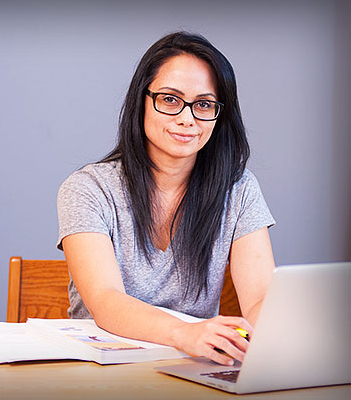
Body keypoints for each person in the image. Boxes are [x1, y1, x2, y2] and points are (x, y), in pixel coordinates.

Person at [56, 31, 275, 366]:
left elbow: (261, 299)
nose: (187, 118)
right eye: (170, 99)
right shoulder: (87, 189)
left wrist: (286, 339)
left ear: (219, 115)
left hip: (191, 367)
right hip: (99, 369)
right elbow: (105, 300)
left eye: (203, 104)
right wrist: (186, 334)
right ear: (141, 100)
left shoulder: (239, 190)